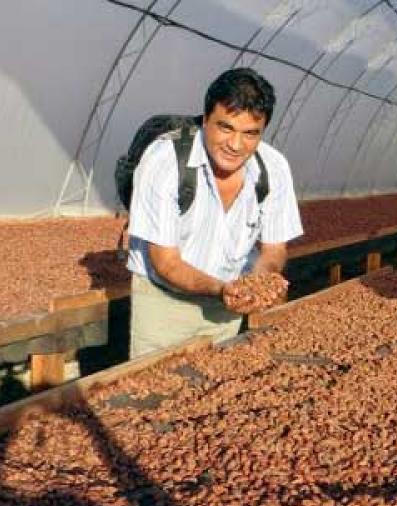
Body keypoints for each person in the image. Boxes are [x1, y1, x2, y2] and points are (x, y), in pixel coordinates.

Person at [126, 68, 303, 357]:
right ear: (206, 119)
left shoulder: (273, 167)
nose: (235, 145)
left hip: (228, 308)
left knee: (215, 384)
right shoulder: (165, 161)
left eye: (250, 134)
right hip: (166, 305)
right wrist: (223, 290)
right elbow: (166, 262)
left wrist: (258, 283)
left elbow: (274, 249)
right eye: (225, 127)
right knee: (157, 390)